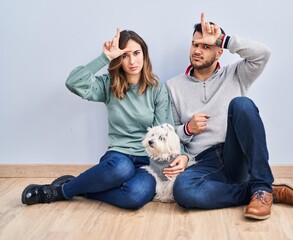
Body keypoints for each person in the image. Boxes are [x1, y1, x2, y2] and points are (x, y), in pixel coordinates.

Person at [21, 28, 189, 209]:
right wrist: (105, 57)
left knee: (134, 196)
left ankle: (82, 186)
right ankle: (58, 192)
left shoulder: (157, 89)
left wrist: (183, 155)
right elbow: (73, 82)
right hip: (119, 156)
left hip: (147, 161)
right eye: (125, 56)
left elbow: (167, 128)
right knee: (121, 170)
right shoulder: (108, 85)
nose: (132, 61)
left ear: (144, 55)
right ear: (119, 60)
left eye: (136, 53)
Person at [165, 13, 293, 220]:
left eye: (205, 46)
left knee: (242, 104)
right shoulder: (173, 86)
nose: (197, 51)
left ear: (219, 52)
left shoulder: (237, 74)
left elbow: (263, 53)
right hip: (202, 161)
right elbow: (170, 133)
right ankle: (260, 192)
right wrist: (187, 129)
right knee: (183, 192)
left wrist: (224, 39)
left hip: (234, 154)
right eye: (195, 45)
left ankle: (261, 186)